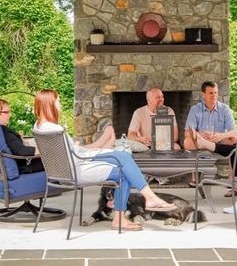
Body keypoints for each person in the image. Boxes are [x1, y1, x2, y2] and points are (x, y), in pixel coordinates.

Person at [33, 89, 176, 231]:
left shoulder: (39, 127)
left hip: (66, 171)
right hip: (78, 169)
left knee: (122, 157)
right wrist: (102, 150)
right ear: (49, 104)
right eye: (58, 102)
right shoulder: (56, 130)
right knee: (124, 168)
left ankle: (144, 201)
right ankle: (134, 209)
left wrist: (102, 148)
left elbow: (72, 152)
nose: (60, 105)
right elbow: (77, 155)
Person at [0, 96, 44, 174]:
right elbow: (21, 151)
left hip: (2, 170)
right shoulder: (3, 132)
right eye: (6, 112)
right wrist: (45, 151)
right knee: (55, 160)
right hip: (23, 168)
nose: (10, 115)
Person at [183, 81, 237, 150]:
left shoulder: (225, 109)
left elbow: (234, 132)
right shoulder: (195, 109)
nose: (214, 95)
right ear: (203, 94)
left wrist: (221, 135)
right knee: (187, 142)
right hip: (202, 141)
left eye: (215, 93)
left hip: (220, 142)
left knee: (234, 139)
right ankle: (204, 151)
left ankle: (226, 158)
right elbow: (187, 133)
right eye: (211, 93)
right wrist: (201, 134)